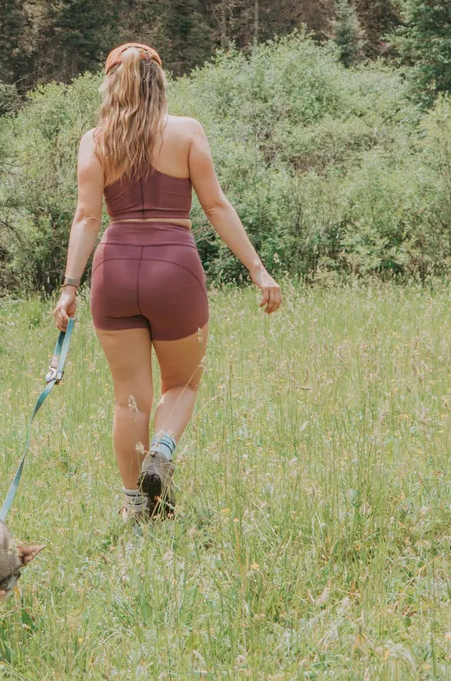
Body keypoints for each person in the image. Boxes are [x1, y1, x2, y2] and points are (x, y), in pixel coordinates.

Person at [53, 42, 282, 520]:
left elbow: (86, 218)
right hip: (174, 268)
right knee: (181, 383)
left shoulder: (95, 141)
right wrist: (258, 269)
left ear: (111, 83)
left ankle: (136, 507)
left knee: (128, 397)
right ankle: (162, 449)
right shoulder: (186, 132)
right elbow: (216, 206)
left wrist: (70, 286)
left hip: (114, 271)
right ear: (160, 82)